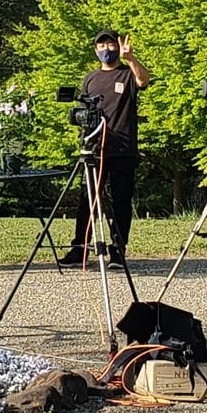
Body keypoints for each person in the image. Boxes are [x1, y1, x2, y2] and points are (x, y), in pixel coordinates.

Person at [58, 29, 150, 269]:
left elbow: (143, 80)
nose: (106, 50)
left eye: (110, 45)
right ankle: (80, 249)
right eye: (101, 46)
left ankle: (118, 251)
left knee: (120, 201)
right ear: (95, 49)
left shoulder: (126, 73)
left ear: (118, 48)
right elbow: (84, 112)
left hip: (123, 149)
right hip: (95, 148)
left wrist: (131, 59)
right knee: (86, 200)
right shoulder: (90, 78)